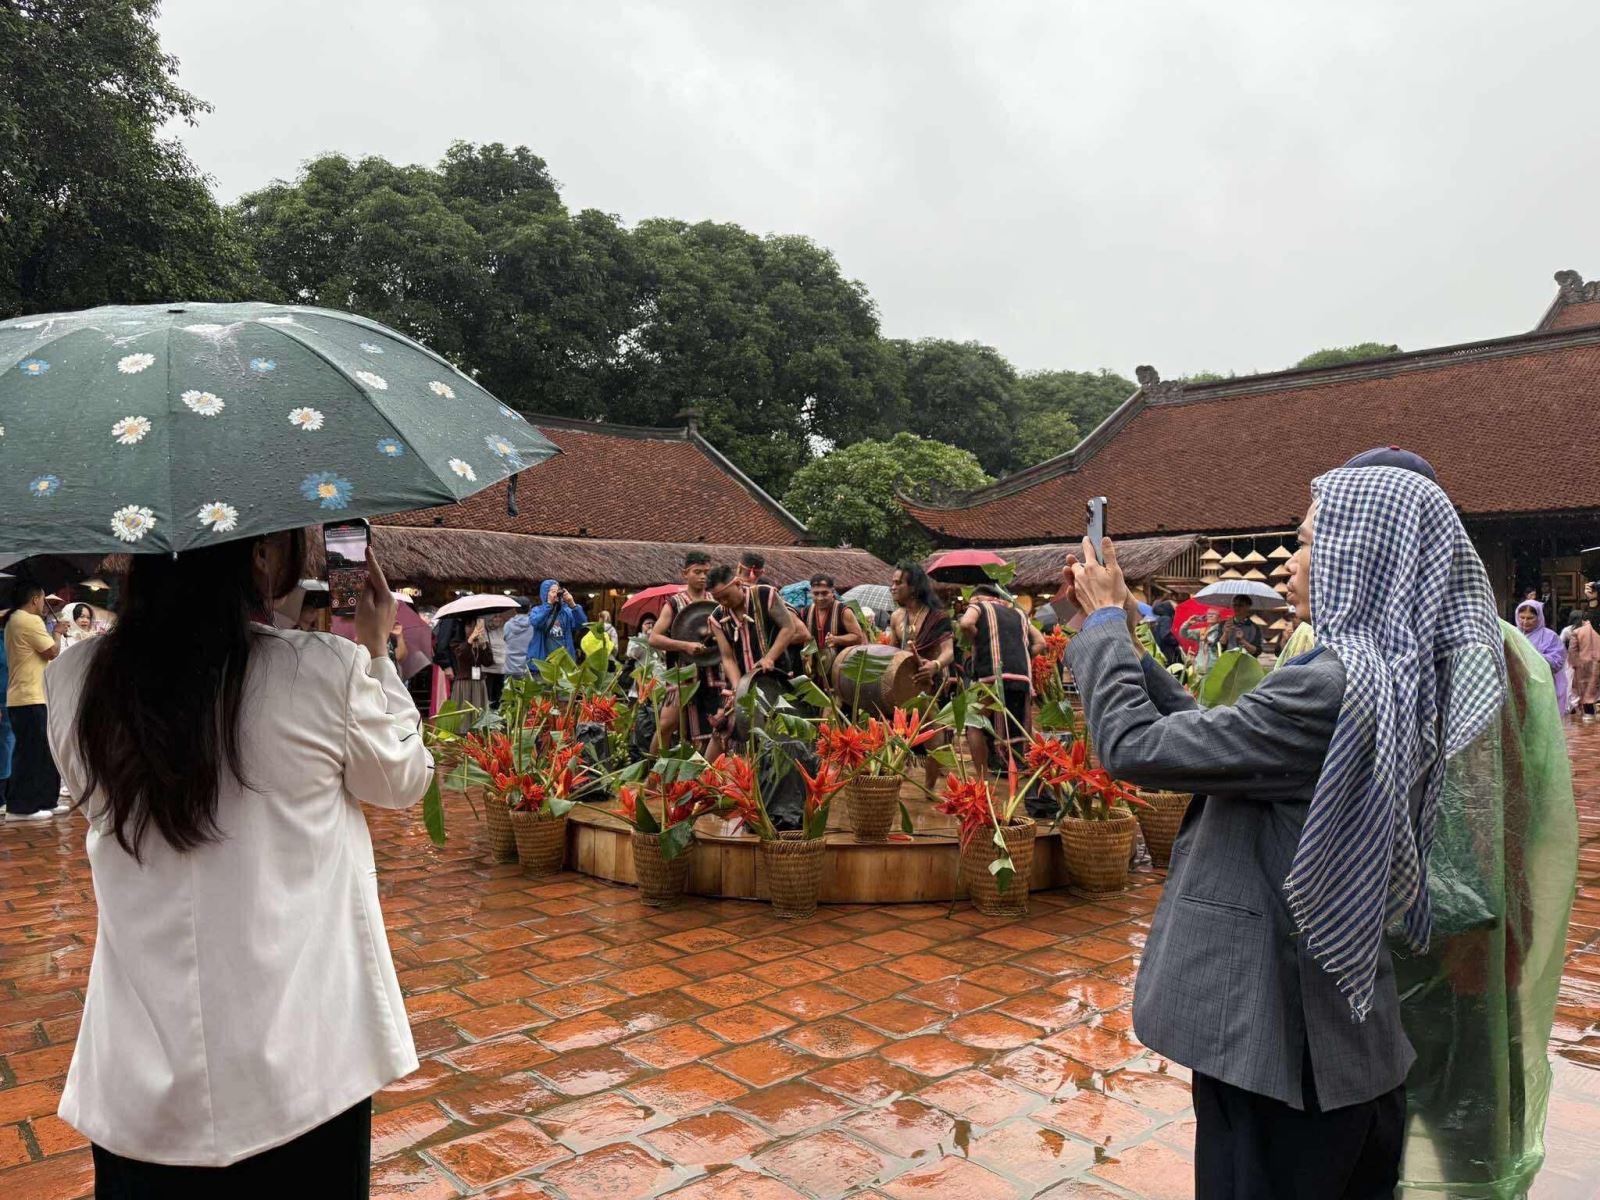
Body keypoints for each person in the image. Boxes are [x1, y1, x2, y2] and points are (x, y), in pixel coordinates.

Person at [1062, 462, 1508, 1200]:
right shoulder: (1390, 676)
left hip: (1280, 1049)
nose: (1289, 561)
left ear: (1360, 552)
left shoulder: (1329, 684)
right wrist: (1133, 647)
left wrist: (1107, 625)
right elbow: (1225, 740)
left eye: (1308, 540)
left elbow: (1135, 748)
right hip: (1342, 1051)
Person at [44, 531, 431, 1193]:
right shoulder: (321, 670)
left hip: (139, 1074)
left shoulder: (75, 681)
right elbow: (402, 781)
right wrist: (373, 651)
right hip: (304, 1066)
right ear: (253, 559)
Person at [706, 564, 809, 749]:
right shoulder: (716, 618)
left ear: (737, 583)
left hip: (776, 677)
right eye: (717, 599)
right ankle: (704, 776)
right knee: (722, 731)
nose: (723, 602)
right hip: (742, 681)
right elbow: (727, 657)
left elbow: (789, 628)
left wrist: (769, 657)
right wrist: (739, 687)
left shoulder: (765, 595)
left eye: (726, 596)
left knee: (781, 733)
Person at [957, 582, 1045, 779]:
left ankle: (981, 779)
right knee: (1022, 725)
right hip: (1021, 677)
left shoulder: (979, 606)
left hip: (992, 676)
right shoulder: (1020, 613)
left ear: (979, 598)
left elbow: (965, 623)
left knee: (975, 723)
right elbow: (1041, 643)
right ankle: (1034, 772)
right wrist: (1020, 658)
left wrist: (975, 638)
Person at [888, 562, 955, 789]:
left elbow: (949, 652)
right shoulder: (896, 617)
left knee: (933, 738)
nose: (893, 587)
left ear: (914, 587)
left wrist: (934, 665)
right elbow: (892, 653)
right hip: (902, 685)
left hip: (930, 684)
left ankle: (929, 787)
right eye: (893, 582)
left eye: (898, 582)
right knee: (895, 733)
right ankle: (890, 783)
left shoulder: (938, 617)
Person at [650, 551, 722, 752]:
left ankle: (701, 776)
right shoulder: (675, 603)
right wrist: (685, 645)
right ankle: (651, 773)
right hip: (683, 673)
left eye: (706, 572)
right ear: (685, 574)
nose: (703, 577)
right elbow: (654, 638)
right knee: (666, 724)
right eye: (697, 572)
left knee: (712, 728)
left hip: (713, 674)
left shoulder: (716, 602)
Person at [4, 584, 65, 820]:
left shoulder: (14, 620)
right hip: (29, 696)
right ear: (35, 599)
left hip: (30, 695)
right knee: (30, 753)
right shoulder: (28, 621)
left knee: (42, 752)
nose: (43, 604)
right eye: (41, 599)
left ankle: (45, 800)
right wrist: (57, 632)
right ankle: (20, 807)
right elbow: (51, 652)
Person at [800, 574, 865, 692]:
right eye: (816, 593)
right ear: (811, 593)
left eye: (824, 593)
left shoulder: (844, 611)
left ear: (832, 591)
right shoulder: (806, 612)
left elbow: (858, 637)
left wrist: (837, 639)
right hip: (814, 675)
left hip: (839, 674)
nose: (820, 597)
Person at [1515, 600, 1568, 718]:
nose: (1524, 622)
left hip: (1543, 688)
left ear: (1539, 617)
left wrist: (1532, 656)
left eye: (1530, 618)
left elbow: (1557, 661)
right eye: (1522, 617)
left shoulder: (1550, 636)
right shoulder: (1513, 634)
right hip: (1518, 686)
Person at [526, 580, 586, 667]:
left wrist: (572, 604)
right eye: (553, 591)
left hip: (565, 662)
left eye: (557, 591)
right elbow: (535, 622)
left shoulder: (565, 611)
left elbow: (582, 624)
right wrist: (549, 604)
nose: (556, 594)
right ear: (545, 594)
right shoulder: (537, 610)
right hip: (545, 662)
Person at [1568, 605, 1600, 722]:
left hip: (1583, 664)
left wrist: (1575, 665)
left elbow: (1572, 651)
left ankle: (1589, 715)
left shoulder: (1577, 632)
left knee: (1586, 691)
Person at [502, 596, 534, 680]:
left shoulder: (508, 625)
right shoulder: (534, 625)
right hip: (528, 667)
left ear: (514, 609)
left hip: (510, 667)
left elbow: (504, 640)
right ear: (530, 608)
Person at [482, 612, 509, 705]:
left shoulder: (504, 627)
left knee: (500, 697)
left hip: (502, 668)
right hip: (489, 668)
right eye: (495, 617)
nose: (498, 619)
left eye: (500, 616)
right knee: (488, 697)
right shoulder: (484, 629)